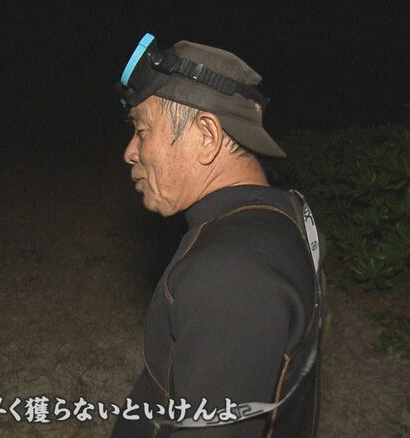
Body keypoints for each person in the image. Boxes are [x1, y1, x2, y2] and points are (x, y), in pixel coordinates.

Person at [110, 34, 328, 438]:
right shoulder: (281, 215)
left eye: (141, 130)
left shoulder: (228, 275)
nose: (130, 152)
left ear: (207, 136)